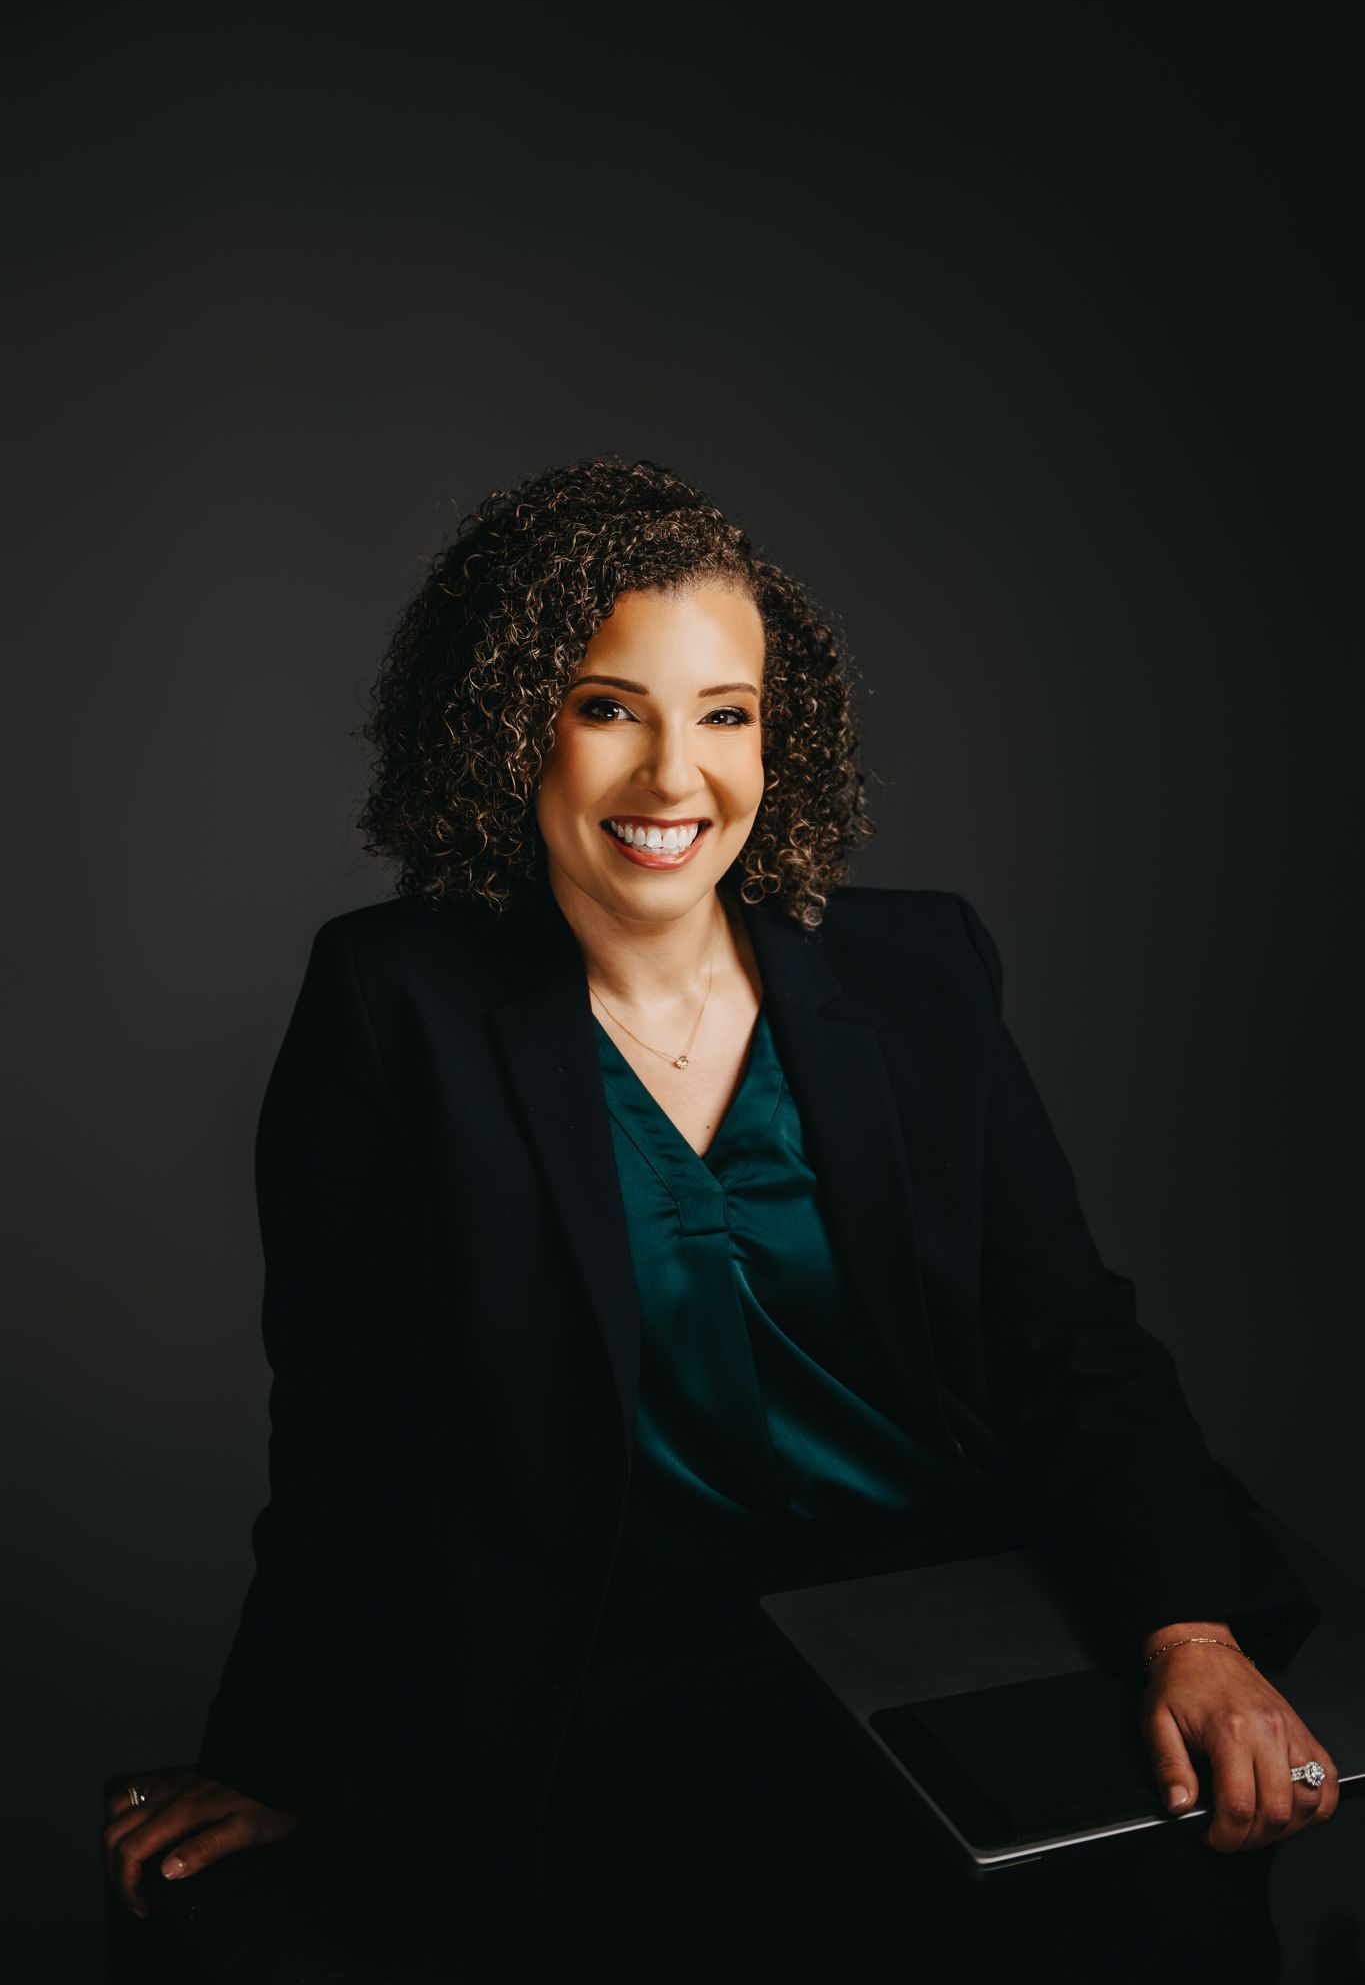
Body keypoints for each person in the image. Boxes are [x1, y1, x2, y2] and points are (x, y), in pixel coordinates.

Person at [104, 457, 1339, 1981]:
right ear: (505, 727)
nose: (674, 777)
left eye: (726, 713)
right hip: (637, 1646)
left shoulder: (917, 968)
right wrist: (275, 1755)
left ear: (781, 732)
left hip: (965, 1594)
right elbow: (353, 1424)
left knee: (1153, 1902)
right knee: (871, 1908)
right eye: (607, 707)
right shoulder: (393, 1004)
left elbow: (1063, 1332)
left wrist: (1188, 1631)